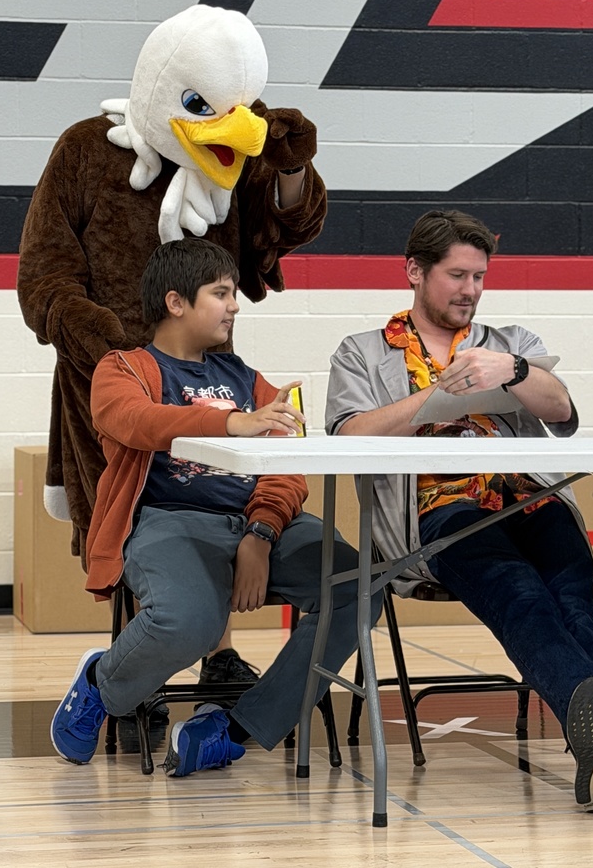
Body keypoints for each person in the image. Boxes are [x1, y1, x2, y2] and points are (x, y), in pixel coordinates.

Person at [325, 209, 593, 816]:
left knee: (570, 592)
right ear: (414, 271)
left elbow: (562, 409)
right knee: (520, 592)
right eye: (456, 276)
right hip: (435, 511)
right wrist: (434, 402)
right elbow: (349, 432)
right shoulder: (360, 352)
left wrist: (510, 371)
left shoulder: (511, 341)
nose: (470, 291)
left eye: (480, 277)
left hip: (526, 493)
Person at [17, 4, 327, 682]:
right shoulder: (84, 150)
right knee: (127, 521)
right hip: (111, 372)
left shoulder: (234, 160)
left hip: (207, 370)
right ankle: (135, 671)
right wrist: (100, 340)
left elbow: (279, 234)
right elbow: (42, 273)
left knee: (212, 496)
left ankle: (215, 659)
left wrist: (290, 169)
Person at [51, 238, 380, 775]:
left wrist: (261, 532)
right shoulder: (123, 369)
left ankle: (231, 728)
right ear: (176, 302)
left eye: (233, 293)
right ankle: (99, 685)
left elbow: (288, 462)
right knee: (192, 624)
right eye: (221, 293)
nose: (234, 305)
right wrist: (231, 422)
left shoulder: (252, 381)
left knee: (359, 584)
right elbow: (137, 422)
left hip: (259, 524)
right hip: (168, 521)